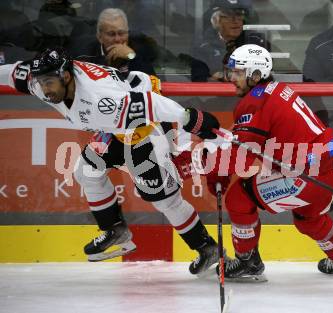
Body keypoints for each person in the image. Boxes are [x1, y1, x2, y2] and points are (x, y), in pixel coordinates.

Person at [0, 47, 222, 274]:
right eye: (40, 83)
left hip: (143, 126)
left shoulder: (100, 98)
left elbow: (150, 105)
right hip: (115, 126)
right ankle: (114, 229)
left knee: (163, 199)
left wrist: (188, 118)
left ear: (65, 76)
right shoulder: (41, 81)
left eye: (48, 83)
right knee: (86, 171)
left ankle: (206, 248)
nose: (44, 91)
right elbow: (10, 72)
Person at [202, 44, 333, 280]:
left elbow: (243, 157)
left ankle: (248, 261)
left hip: (307, 174)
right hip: (332, 165)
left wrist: (217, 174)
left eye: (238, 72)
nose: (231, 78)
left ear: (255, 75)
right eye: (231, 72)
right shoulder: (277, 89)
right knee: (309, 219)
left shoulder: (253, 102)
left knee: (239, 197)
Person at [190, 0, 268, 82]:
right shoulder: (202, 45)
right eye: (228, 16)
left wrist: (222, 75)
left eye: (239, 15)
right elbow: (199, 80)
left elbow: (264, 75)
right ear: (216, 21)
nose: (235, 21)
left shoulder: (255, 41)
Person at [71, 8, 157, 76]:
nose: (117, 39)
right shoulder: (85, 55)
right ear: (99, 37)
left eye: (121, 33)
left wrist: (132, 57)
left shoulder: (140, 47)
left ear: (128, 33)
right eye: (111, 34)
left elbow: (152, 82)